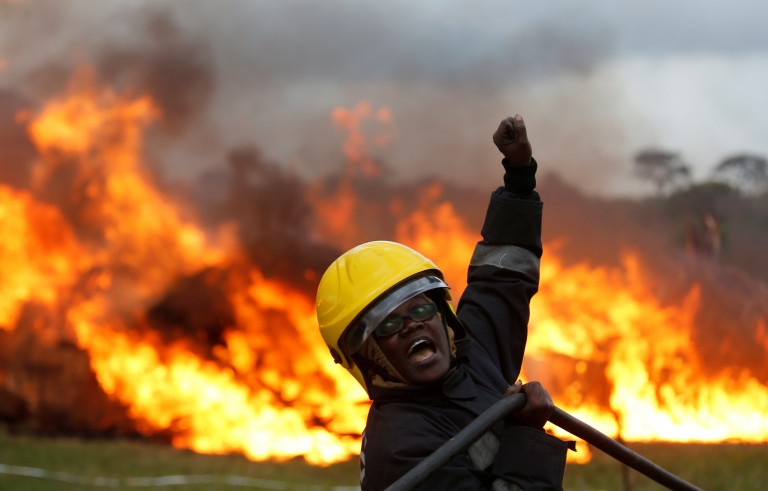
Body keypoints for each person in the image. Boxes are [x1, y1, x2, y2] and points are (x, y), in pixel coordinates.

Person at [316, 114, 571, 490]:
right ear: (369, 358)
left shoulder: (473, 357)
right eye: (389, 324)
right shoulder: (402, 448)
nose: (414, 324)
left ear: (442, 316)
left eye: (420, 309)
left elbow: (501, 278)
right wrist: (525, 435)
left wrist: (518, 178)